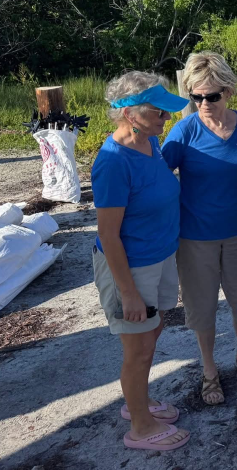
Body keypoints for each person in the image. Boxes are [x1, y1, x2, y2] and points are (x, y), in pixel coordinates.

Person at [91, 71, 190, 451]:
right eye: (159, 112)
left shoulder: (150, 144)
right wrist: (128, 293)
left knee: (153, 333)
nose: (166, 119)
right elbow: (108, 235)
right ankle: (142, 428)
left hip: (159, 258)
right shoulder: (114, 162)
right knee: (138, 349)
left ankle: (138, 404)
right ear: (130, 114)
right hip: (131, 269)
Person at [161, 52, 237, 406]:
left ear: (228, 91)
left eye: (212, 96)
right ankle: (208, 370)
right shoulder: (184, 131)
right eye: (196, 96)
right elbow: (157, 177)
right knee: (201, 307)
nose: (204, 103)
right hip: (195, 237)